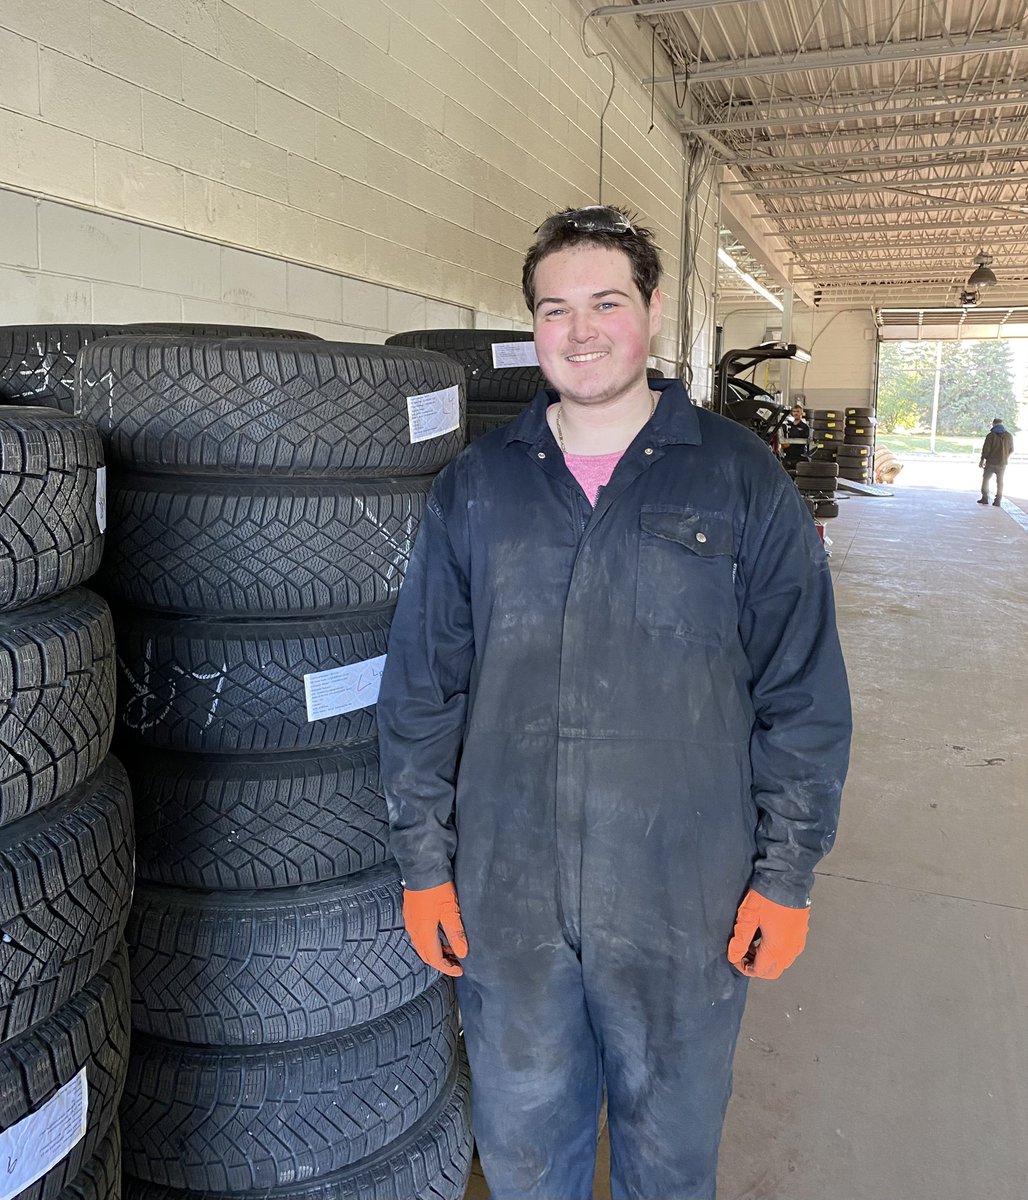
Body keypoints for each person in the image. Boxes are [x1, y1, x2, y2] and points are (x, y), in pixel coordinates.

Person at [377, 205, 851, 1200]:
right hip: (508, 893)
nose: (580, 330)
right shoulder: (476, 490)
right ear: (532, 326)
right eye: (555, 309)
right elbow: (423, 690)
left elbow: (800, 695)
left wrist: (786, 874)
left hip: (686, 895)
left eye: (604, 302)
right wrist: (424, 865)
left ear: (651, 311)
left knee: (669, 1157)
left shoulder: (738, 481)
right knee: (522, 1149)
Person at [977, 417, 1014, 505]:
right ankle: (998, 500)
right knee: (1000, 481)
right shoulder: (1009, 435)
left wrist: (982, 460)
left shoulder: (991, 435)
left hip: (991, 462)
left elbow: (986, 449)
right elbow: (1011, 449)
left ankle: (985, 498)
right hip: (1002, 463)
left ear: (993, 424)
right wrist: (1005, 456)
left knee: (986, 480)